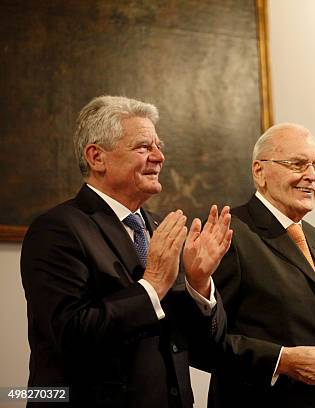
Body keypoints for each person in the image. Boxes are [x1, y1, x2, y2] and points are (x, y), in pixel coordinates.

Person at [20, 96, 232, 408]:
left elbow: (204, 350)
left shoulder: (161, 229)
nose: (159, 157)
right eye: (144, 147)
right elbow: (69, 335)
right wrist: (153, 285)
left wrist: (198, 284)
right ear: (97, 157)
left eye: (159, 146)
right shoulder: (57, 229)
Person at [208, 123, 315, 407]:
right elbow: (205, 341)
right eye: (297, 164)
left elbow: (306, 329)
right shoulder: (230, 234)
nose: (311, 177)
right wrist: (281, 361)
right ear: (259, 172)